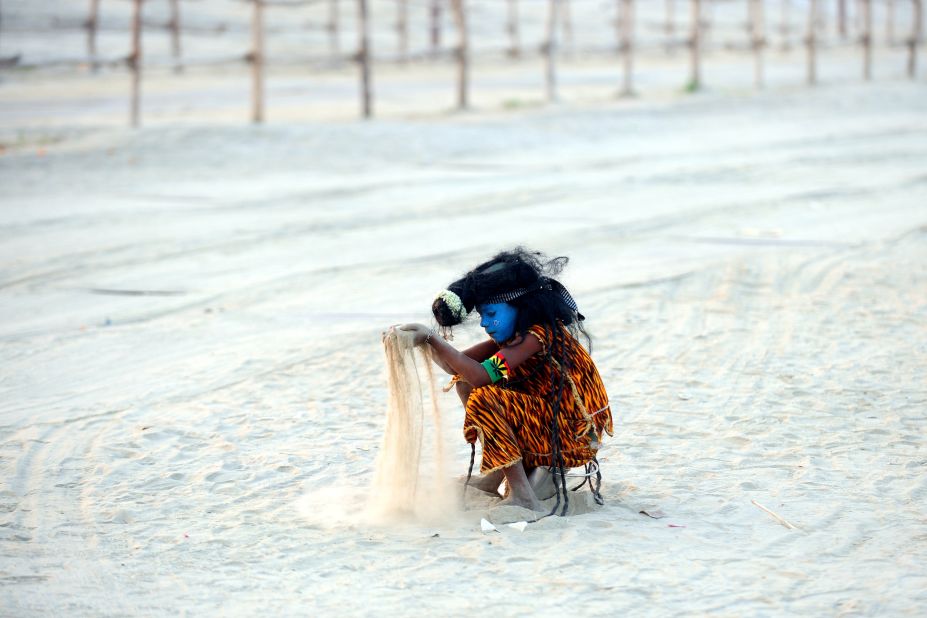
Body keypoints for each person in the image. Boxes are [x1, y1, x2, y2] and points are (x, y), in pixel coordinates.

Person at [394, 248, 613, 515]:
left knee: (485, 396)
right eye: (482, 316)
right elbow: (458, 367)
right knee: (465, 384)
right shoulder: (511, 338)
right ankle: (495, 477)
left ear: (520, 308)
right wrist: (419, 341)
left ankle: (523, 495)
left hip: (573, 436)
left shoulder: (536, 336)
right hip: (546, 424)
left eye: (491, 314)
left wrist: (433, 339)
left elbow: (481, 375)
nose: (485, 323)